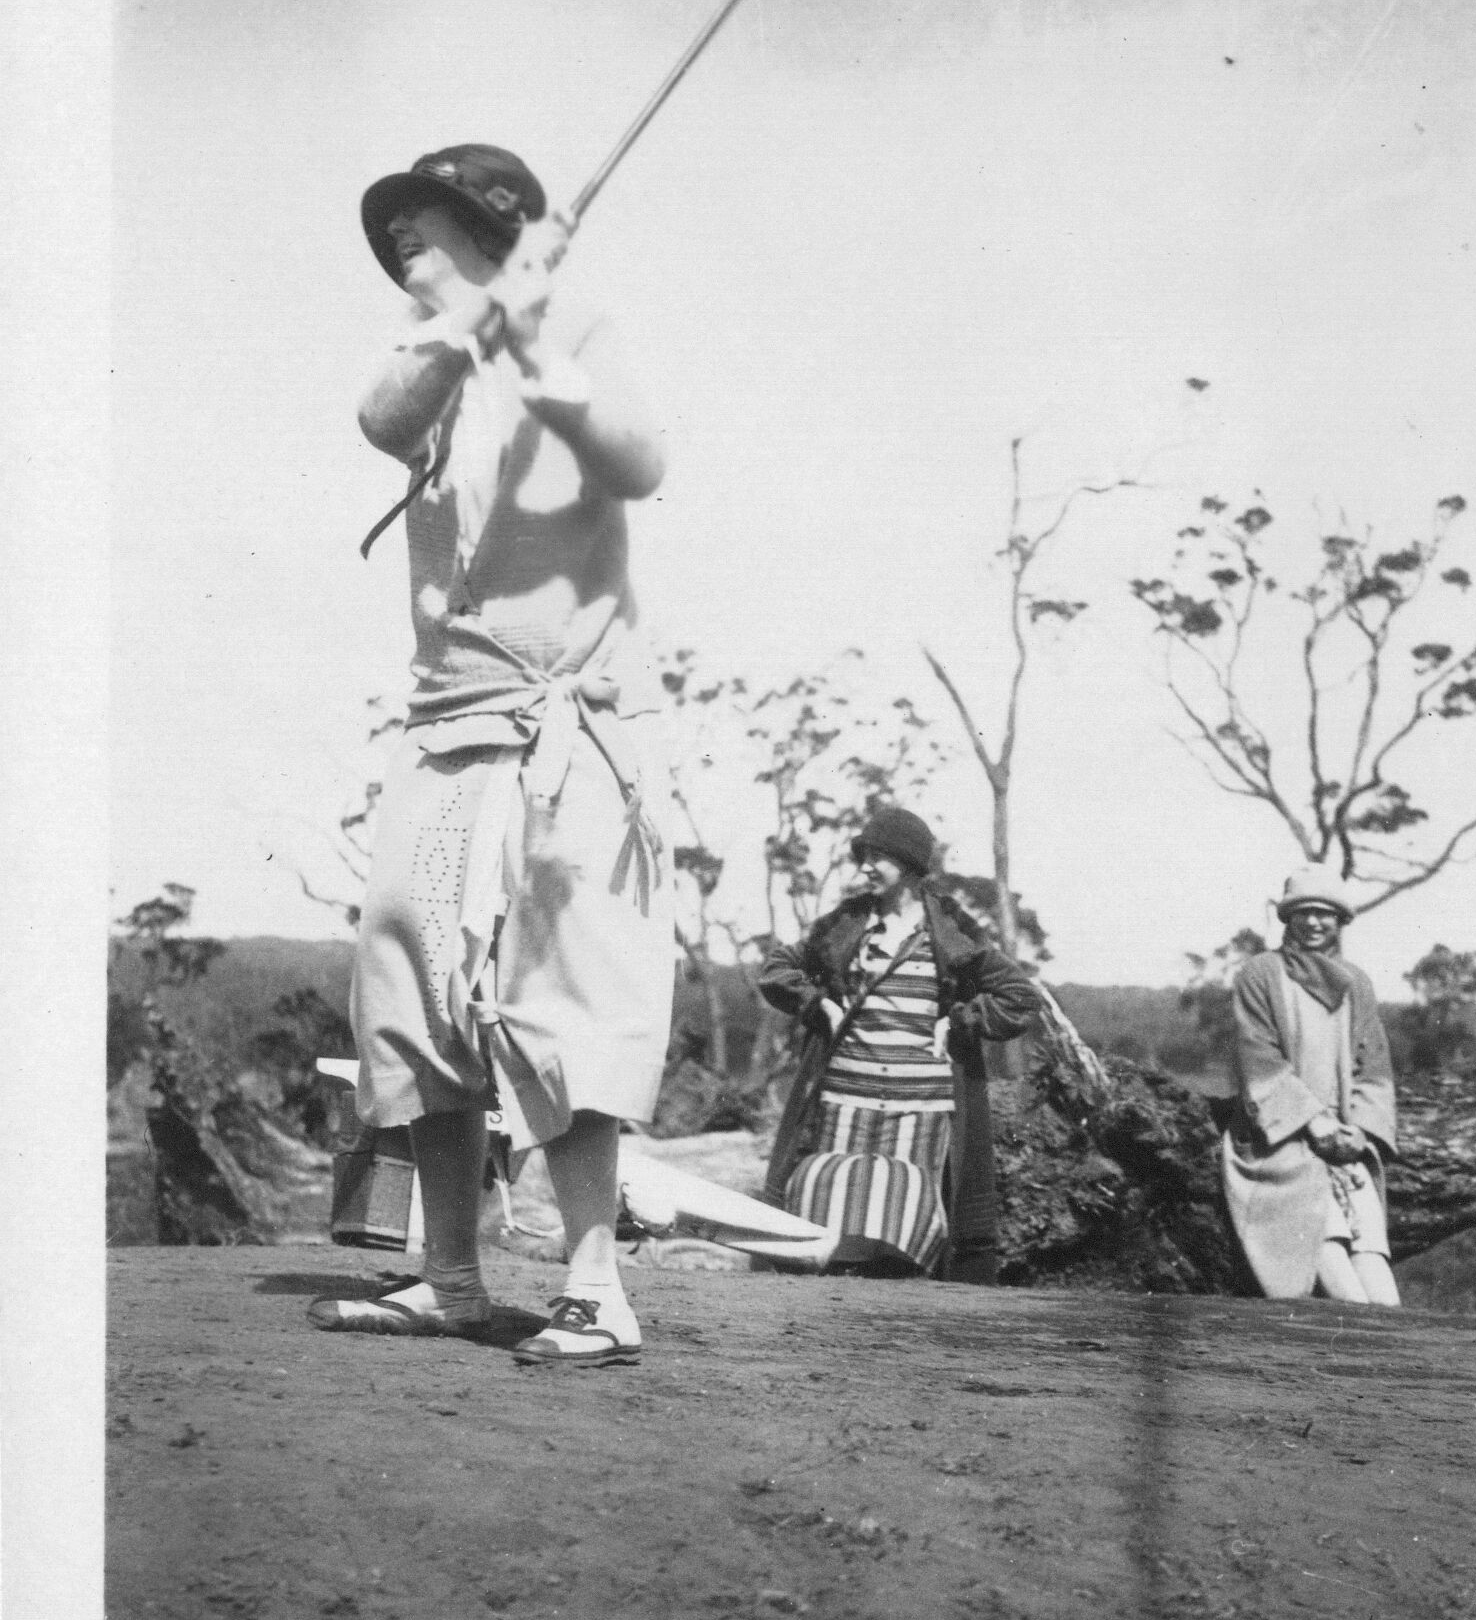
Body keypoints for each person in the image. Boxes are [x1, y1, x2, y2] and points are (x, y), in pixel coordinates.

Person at [310, 143, 674, 1366]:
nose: (403, 237)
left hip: (563, 731)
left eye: (427, 220)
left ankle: (593, 1286)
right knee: (414, 996)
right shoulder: (425, 357)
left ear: (490, 226)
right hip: (444, 730)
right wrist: (475, 325)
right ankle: (450, 1274)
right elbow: (380, 419)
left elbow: (639, 460)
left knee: (566, 1000)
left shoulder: (578, 333)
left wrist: (533, 342)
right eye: (396, 223)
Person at [758, 808, 1039, 1283]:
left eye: (878, 858)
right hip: (845, 1098)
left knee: (905, 1219)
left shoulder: (950, 932)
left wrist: (961, 1020)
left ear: (908, 866)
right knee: (835, 1212)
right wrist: (818, 1005)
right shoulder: (845, 925)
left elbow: (1019, 998)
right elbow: (776, 971)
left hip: (922, 1105)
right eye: (863, 856)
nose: (865, 867)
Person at [1221, 869, 1400, 1304]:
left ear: (1340, 921)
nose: (1315, 923)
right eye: (1304, 913)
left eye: (1325, 914)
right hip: (1280, 1135)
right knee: (1324, 1242)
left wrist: (1360, 1128)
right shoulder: (1260, 975)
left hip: (1342, 1139)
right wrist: (1311, 1121)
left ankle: (1395, 1346)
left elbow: (1372, 1066)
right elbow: (1257, 1057)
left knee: (1372, 1254)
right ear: (1288, 920)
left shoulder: (1355, 983)